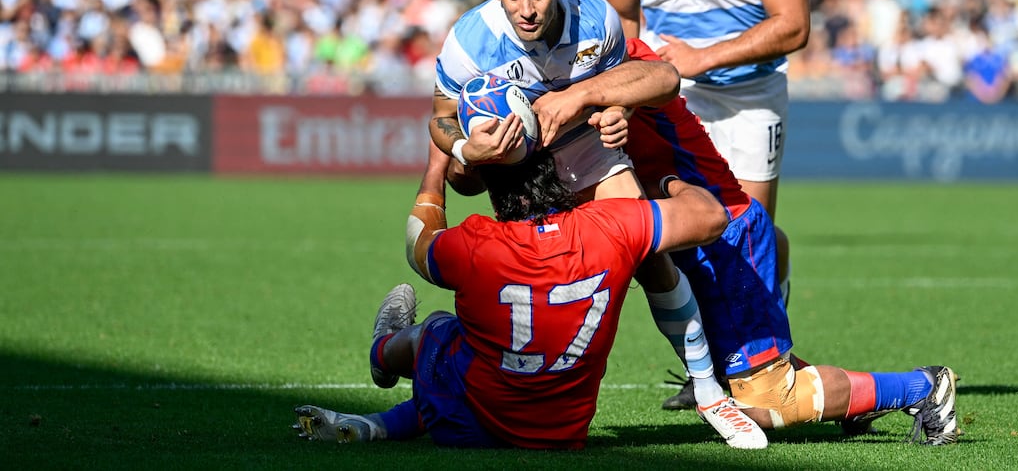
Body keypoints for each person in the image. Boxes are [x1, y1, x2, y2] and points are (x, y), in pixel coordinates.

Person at [429, 0, 764, 447]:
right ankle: (478, 381)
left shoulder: (596, 21)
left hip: (585, 150)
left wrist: (614, 111)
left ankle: (708, 391)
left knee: (651, 255)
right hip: (513, 165)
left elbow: (644, 83)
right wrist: (469, 149)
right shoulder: (470, 41)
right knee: (463, 187)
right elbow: (440, 118)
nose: (527, 9)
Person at [602, 37, 959, 446]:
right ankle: (855, 398)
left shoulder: (603, 41)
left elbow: (658, 78)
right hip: (682, 233)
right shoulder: (542, 54)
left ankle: (924, 388)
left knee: (769, 402)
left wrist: (602, 101)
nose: (527, 11)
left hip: (723, 235)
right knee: (751, 384)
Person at [293, 141, 732, 448]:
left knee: (439, 328)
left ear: (497, 193)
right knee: (474, 360)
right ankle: (381, 425)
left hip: (468, 424)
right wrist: (669, 182)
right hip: (563, 432)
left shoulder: (477, 243)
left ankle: (382, 352)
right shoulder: (610, 226)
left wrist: (435, 165)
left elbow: (417, 245)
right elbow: (712, 217)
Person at [605, 0, 812, 408]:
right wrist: (632, 80)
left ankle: (753, 374)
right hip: (675, 102)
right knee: (682, 241)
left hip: (749, 97)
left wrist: (702, 56)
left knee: (749, 235)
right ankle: (712, 369)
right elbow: (620, 18)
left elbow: (793, 24)